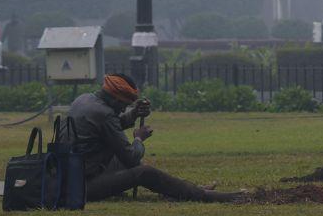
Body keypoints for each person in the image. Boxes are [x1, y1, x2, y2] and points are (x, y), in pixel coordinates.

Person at [67, 73, 241, 202]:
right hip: (83, 186)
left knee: (129, 164)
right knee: (144, 172)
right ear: (115, 99)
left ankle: (183, 190)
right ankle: (203, 195)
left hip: (70, 176)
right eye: (124, 106)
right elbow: (131, 157)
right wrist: (138, 139)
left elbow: (108, 128)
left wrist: (134, 114)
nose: (122, 110)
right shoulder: (104, 114)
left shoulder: (85, 99)